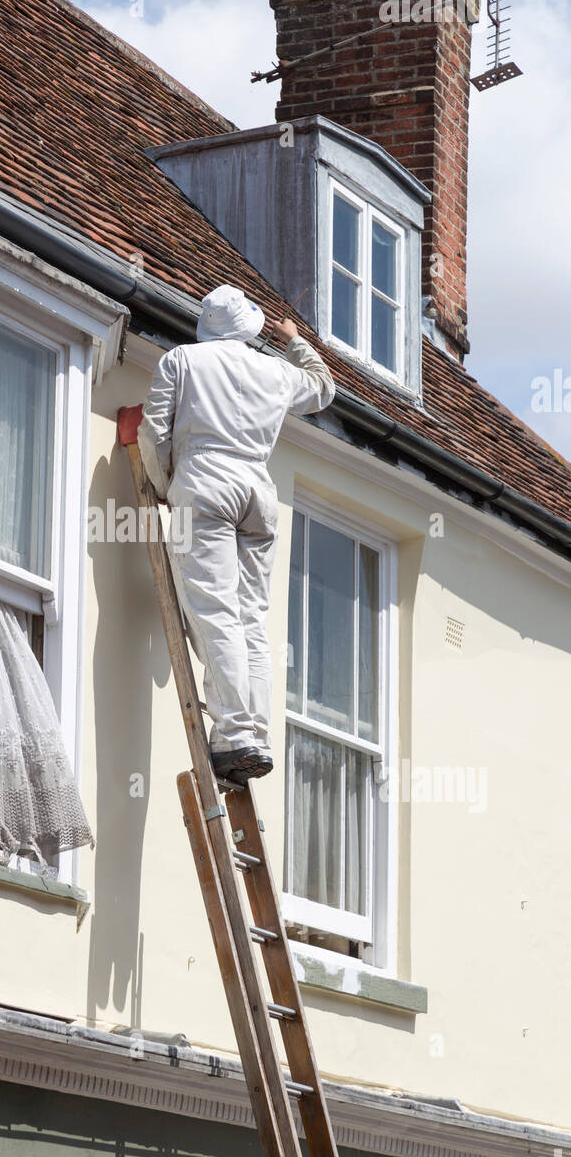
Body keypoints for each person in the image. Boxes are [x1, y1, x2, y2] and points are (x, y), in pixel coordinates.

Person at [137, 284, 335, 785]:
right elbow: (322, 388)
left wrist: (165, 487)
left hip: (204, 483)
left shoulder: (182, 361)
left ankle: (234, 734)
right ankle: (258, 734)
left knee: (215, 610)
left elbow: (152, 431)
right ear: (248, 327)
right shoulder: (274, 371)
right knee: (250, 617)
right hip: (257, 492)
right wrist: (293, 341)